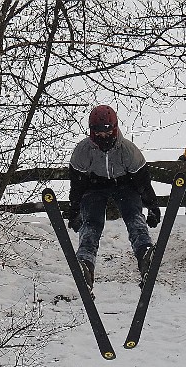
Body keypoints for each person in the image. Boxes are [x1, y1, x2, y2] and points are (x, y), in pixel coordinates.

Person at [67, 104, 161, 290]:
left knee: (133, 216)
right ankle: (85, 263)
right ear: (91, 130)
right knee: (92, 223)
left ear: (115, 128)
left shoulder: (127, 150)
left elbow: (142, 181)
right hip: (94, 186)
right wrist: (75, 208)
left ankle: (144, 254)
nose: (103, 136)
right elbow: (78, 183)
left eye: (107, 131)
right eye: (98, 132)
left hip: (124, 184)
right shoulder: (83, 151)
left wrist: (152, 206)